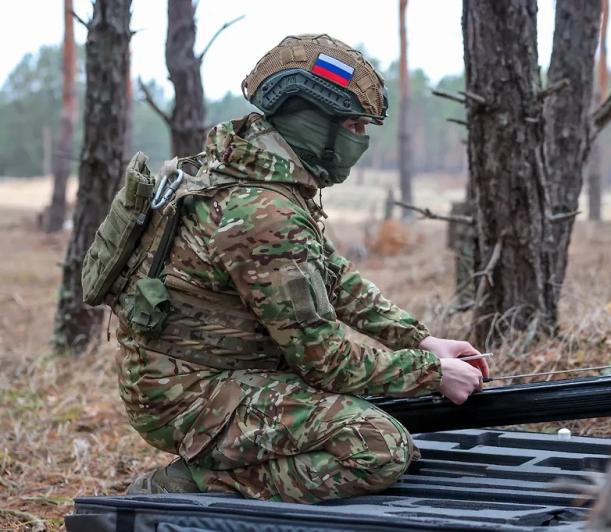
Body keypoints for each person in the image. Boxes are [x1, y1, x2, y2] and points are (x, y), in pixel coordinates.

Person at [117, 34, 488, 502]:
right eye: (354, 125)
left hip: (208, 375)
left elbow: (335, 278)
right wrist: (430, 373)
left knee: (370, 405)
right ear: (314, 125)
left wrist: (420, 340)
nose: (361, 139)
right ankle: (185, 486)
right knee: (378, 447)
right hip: (187, 396)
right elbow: (324, 358)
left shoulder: (256, 175)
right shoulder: (262, 210)